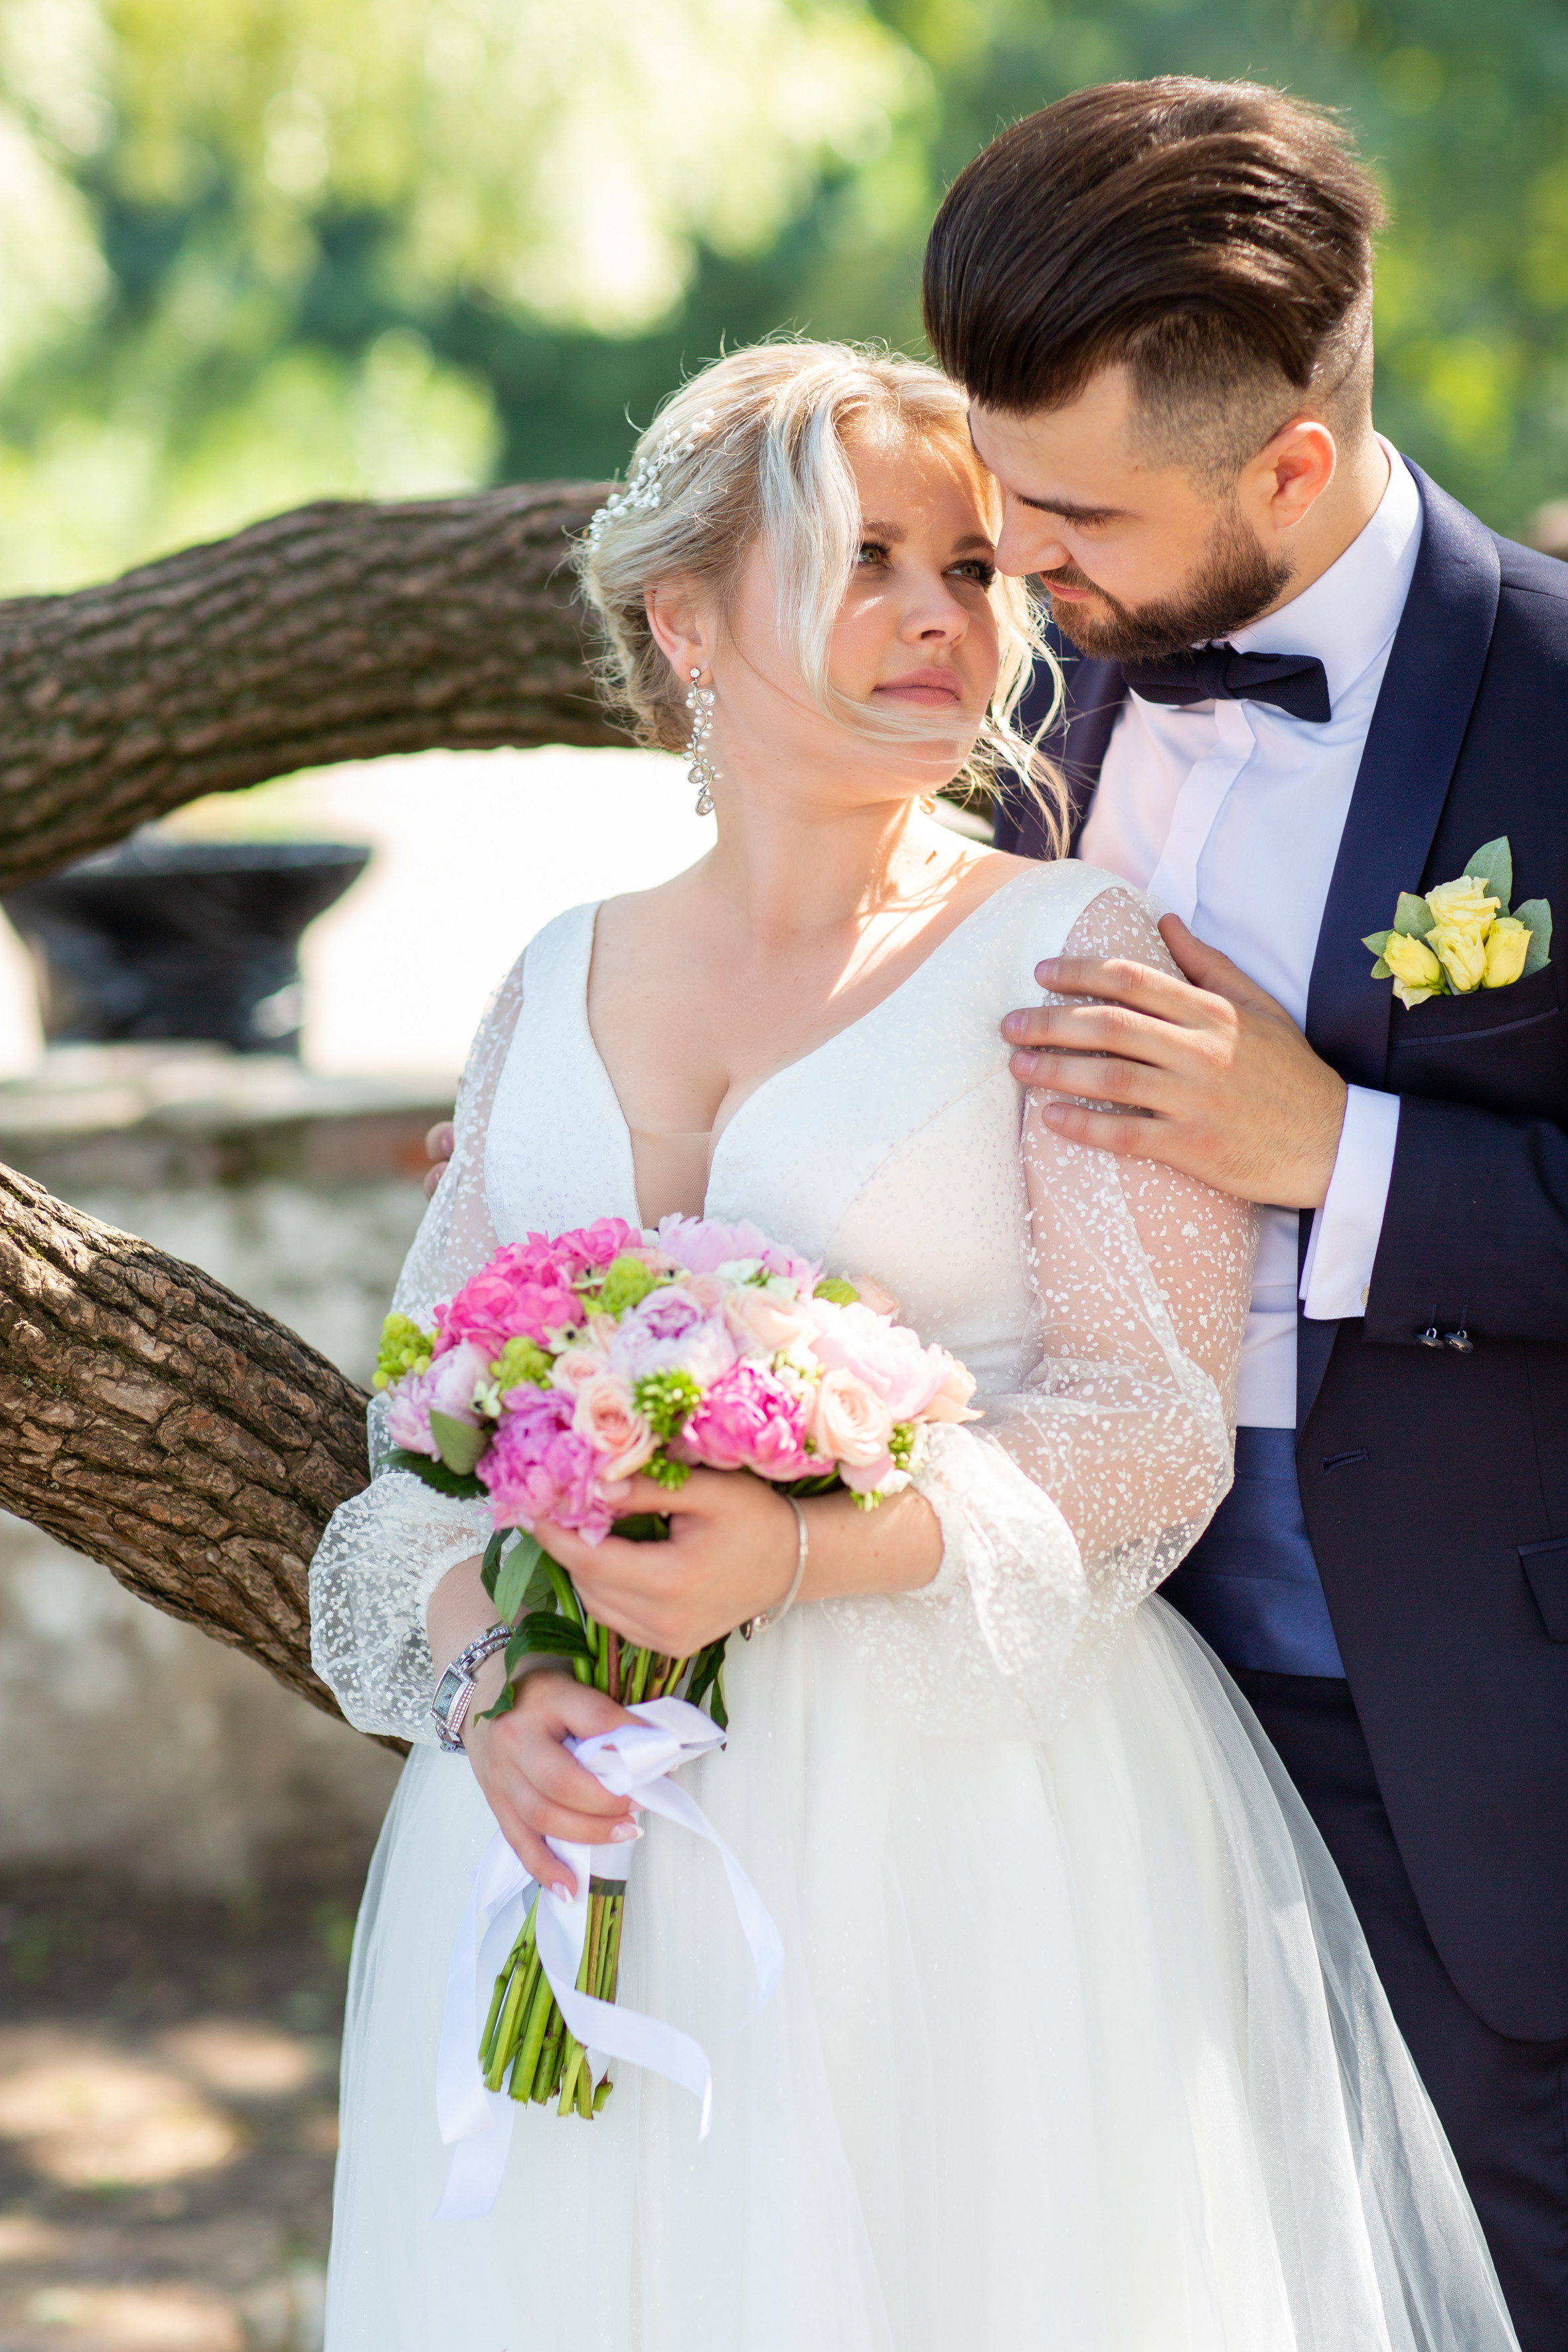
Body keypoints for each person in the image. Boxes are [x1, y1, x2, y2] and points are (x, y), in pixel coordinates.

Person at [313, 340, 1518, 2351]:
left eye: (971, 567)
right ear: (683, 618)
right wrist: (488, 1683)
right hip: (568, 1805)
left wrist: (801, 1550)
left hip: (961, 1819)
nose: (937, 616)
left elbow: (1146, 1431)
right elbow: (422, 1428)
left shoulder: (1073, 952)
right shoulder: (546, 969)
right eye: (861, 556)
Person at [921, 78, 1568, 2350]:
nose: (1011, 558)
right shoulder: (991, 697)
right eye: (995, 485)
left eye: (1073, 508)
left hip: (1472, 1733)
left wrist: (1337, 1156)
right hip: (1062, 1695)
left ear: (1288, 464)